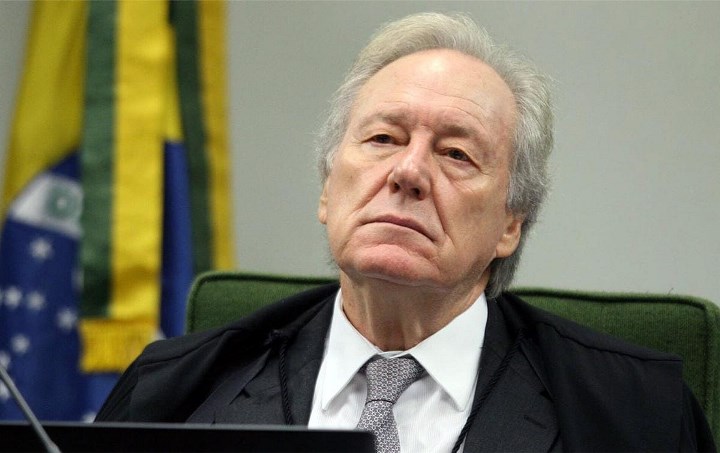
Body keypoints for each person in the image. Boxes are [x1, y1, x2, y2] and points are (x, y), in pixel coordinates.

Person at [96, 12, 715, 452]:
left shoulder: (637, 415)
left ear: (511, 223)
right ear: (327, 189)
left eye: (456, 154)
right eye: (383, 138)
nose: (409, 171)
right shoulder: (170, 392)